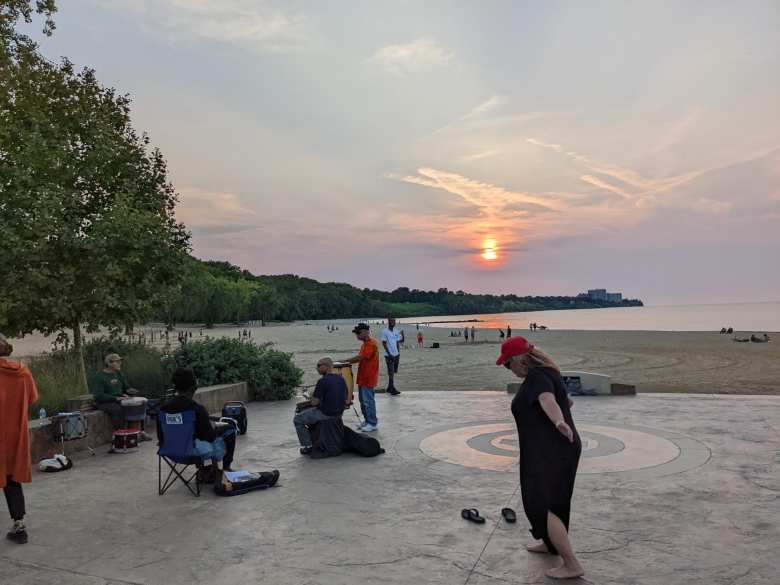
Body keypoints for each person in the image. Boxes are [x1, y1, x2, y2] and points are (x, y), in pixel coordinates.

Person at [496, 336, 584, 580]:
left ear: (520, 359)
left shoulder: (537, 378)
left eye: (507, 363)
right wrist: (561, 413)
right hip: (549, 449)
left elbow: (548, 400)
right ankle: (550, 543)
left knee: (542, 504)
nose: (508, 368)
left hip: (552, 451)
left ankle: (572, 564)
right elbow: (566, 400)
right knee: (550, 501)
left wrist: (558, 421)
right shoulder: (547, 373)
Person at [159, 368, 236, 478]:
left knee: (198, 439)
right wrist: (215, 428)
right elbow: (209, 437)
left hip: (170, 452)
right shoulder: (197, 409)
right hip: (192, 453)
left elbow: (161, 436)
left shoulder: (163, 409)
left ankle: (205, 470)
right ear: (194, 387)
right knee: (229, 429)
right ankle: (225, 468)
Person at [0, 334, 39, 545]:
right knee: (12, 479)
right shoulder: (23, 372)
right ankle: (19, 525)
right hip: (15, 435)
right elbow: (32, 398)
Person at [90, 354, 151, 441]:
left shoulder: (118, 373)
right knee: (118, 409)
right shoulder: (99, 377)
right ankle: (121, 435)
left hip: (120, 399)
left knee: (139, 404)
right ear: (109, 363)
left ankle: (138, 432)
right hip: (105, 402)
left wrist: (130, 393)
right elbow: (98, 395)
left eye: (120, 361)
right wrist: (116, 398)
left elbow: (126, 387)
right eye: (117, 361)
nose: (120, 363)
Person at [293, 358, 348, 455]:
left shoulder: (322, 381)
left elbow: (314, 403)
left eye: (318, 366)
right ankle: (316, 437)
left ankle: (308, 446)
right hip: (339, 413)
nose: (316, 368)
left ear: (326, 366)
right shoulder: (341, 379)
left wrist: (310, 396)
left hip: (326, 413)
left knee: (297, 419)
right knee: (307, 411)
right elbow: (345, 396)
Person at [343, 323, 380, 432]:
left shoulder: (370, 344)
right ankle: (368, 421)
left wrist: (345, 361)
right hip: (363, 376)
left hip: (368, 377)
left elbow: (360, 357)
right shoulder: (365, 344)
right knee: (363, 400)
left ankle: (372, 423)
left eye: (358, 333)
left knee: (368, 401)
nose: (357, 336)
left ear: (365, 332)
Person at [380, 317, 403, 396]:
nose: (393, 322)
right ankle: (392, 388)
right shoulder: (384, 331)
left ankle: (389, 387)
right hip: (389, 355)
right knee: (391, 372)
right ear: (388, 322)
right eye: (391, 321)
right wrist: (389, 354)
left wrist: (398, 353)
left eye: (394, 321)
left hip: (396, 354)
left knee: (393, 371)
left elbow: (397, 342)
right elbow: (384, 343)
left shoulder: (396, 331)